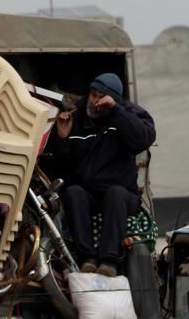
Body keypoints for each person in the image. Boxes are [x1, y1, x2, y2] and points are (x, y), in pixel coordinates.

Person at [51, 72, 156, 277]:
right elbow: (63, 165)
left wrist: (115, 110)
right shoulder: (77, 117)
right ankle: (87, 258)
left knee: (115, 193)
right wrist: (62, 139)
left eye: (101, 97)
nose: (95, 102)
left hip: (123, 195)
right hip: (90, 194)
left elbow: (142, 139)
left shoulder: (126, 114)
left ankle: (110, 260)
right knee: (73, 192)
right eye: (93, 95)